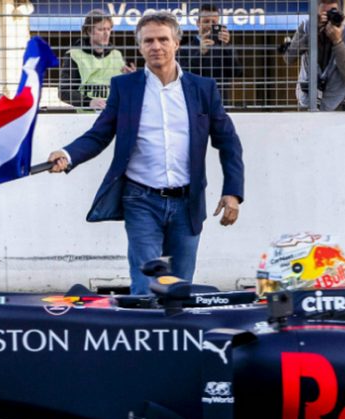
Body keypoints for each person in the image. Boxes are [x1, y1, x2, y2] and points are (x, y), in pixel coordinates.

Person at [46, 11, 245, 294]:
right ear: (140, 47)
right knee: (145, 288)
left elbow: (228, 142)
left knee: (179, 290)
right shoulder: (125, 87)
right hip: (140, 199)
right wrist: (67, 154)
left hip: (188, 202)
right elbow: (100, 134)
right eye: (148, 41)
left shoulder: (203, 89)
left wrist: (233, 192)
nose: (156, 46)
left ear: (177, 43)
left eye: (163, 39)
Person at [282, 0, 345, 111]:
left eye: (332, 13)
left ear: (341, 15)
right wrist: (313, 33)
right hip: (308, 103)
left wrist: (338, 42)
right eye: (324, 15)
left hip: (338, 105)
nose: (328, 19)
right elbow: (288, 58)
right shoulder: (306, 27)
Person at [58, 9, 136, 111]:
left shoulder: (117, 55)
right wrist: (89, 102)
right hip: (86, 117)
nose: (106, 33)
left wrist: (131, 80)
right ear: (89, 31)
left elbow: (126, 92)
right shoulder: (74, 55)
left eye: (108, 29)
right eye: (101, 29)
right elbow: (64, 91)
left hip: (114, 115)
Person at [177, 4, 243, 82]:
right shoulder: (184, 49)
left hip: (219, 89)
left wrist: (227, 47)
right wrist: (200, 53)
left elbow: (236, 73)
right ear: (198, 23)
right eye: (206, 21)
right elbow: (182, 76)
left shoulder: (224, 47)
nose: (210, 25)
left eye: (214, 22)